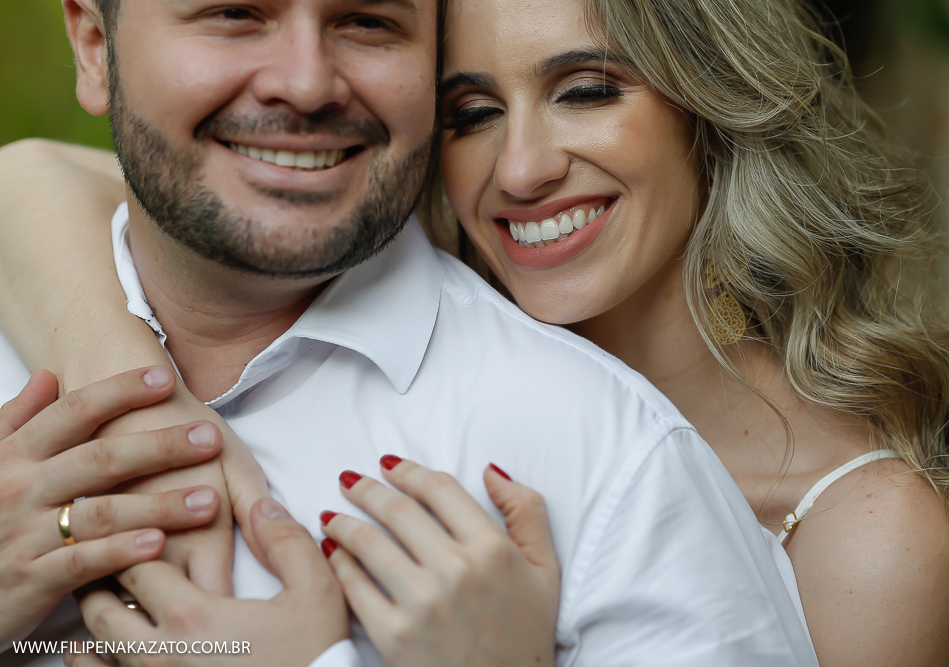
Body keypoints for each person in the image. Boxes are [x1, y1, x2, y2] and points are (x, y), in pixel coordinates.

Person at [0, 1, 819, 667]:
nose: (305, 83)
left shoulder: (616, 466)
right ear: (94, 44)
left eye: (366, 22)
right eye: (235, 14)